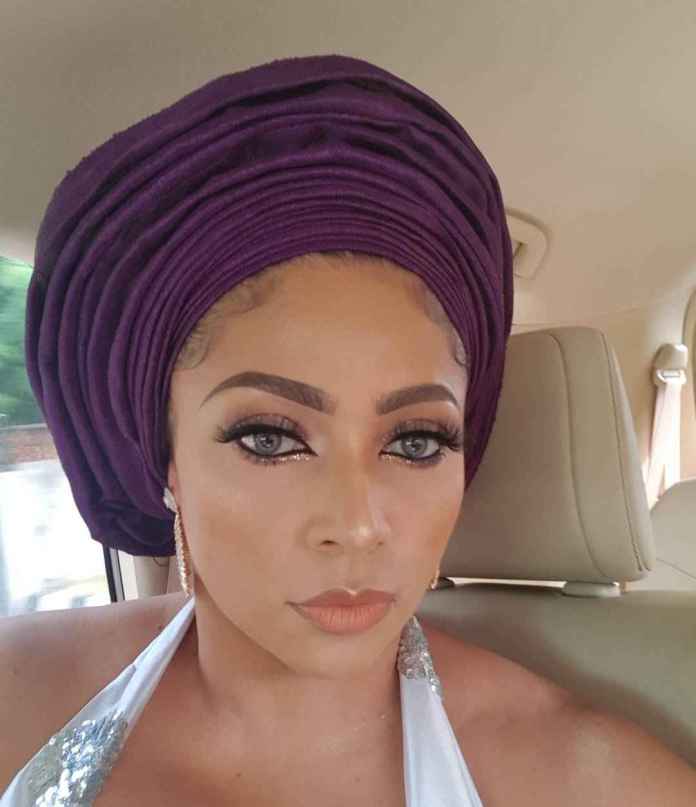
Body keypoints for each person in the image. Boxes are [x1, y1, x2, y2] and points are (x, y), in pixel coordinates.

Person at [3, 53, 695, 806]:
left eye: (416, 442)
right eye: (270, 438)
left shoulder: (589, 779)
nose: (359, 526)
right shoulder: (19, 691)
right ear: (164, 456)